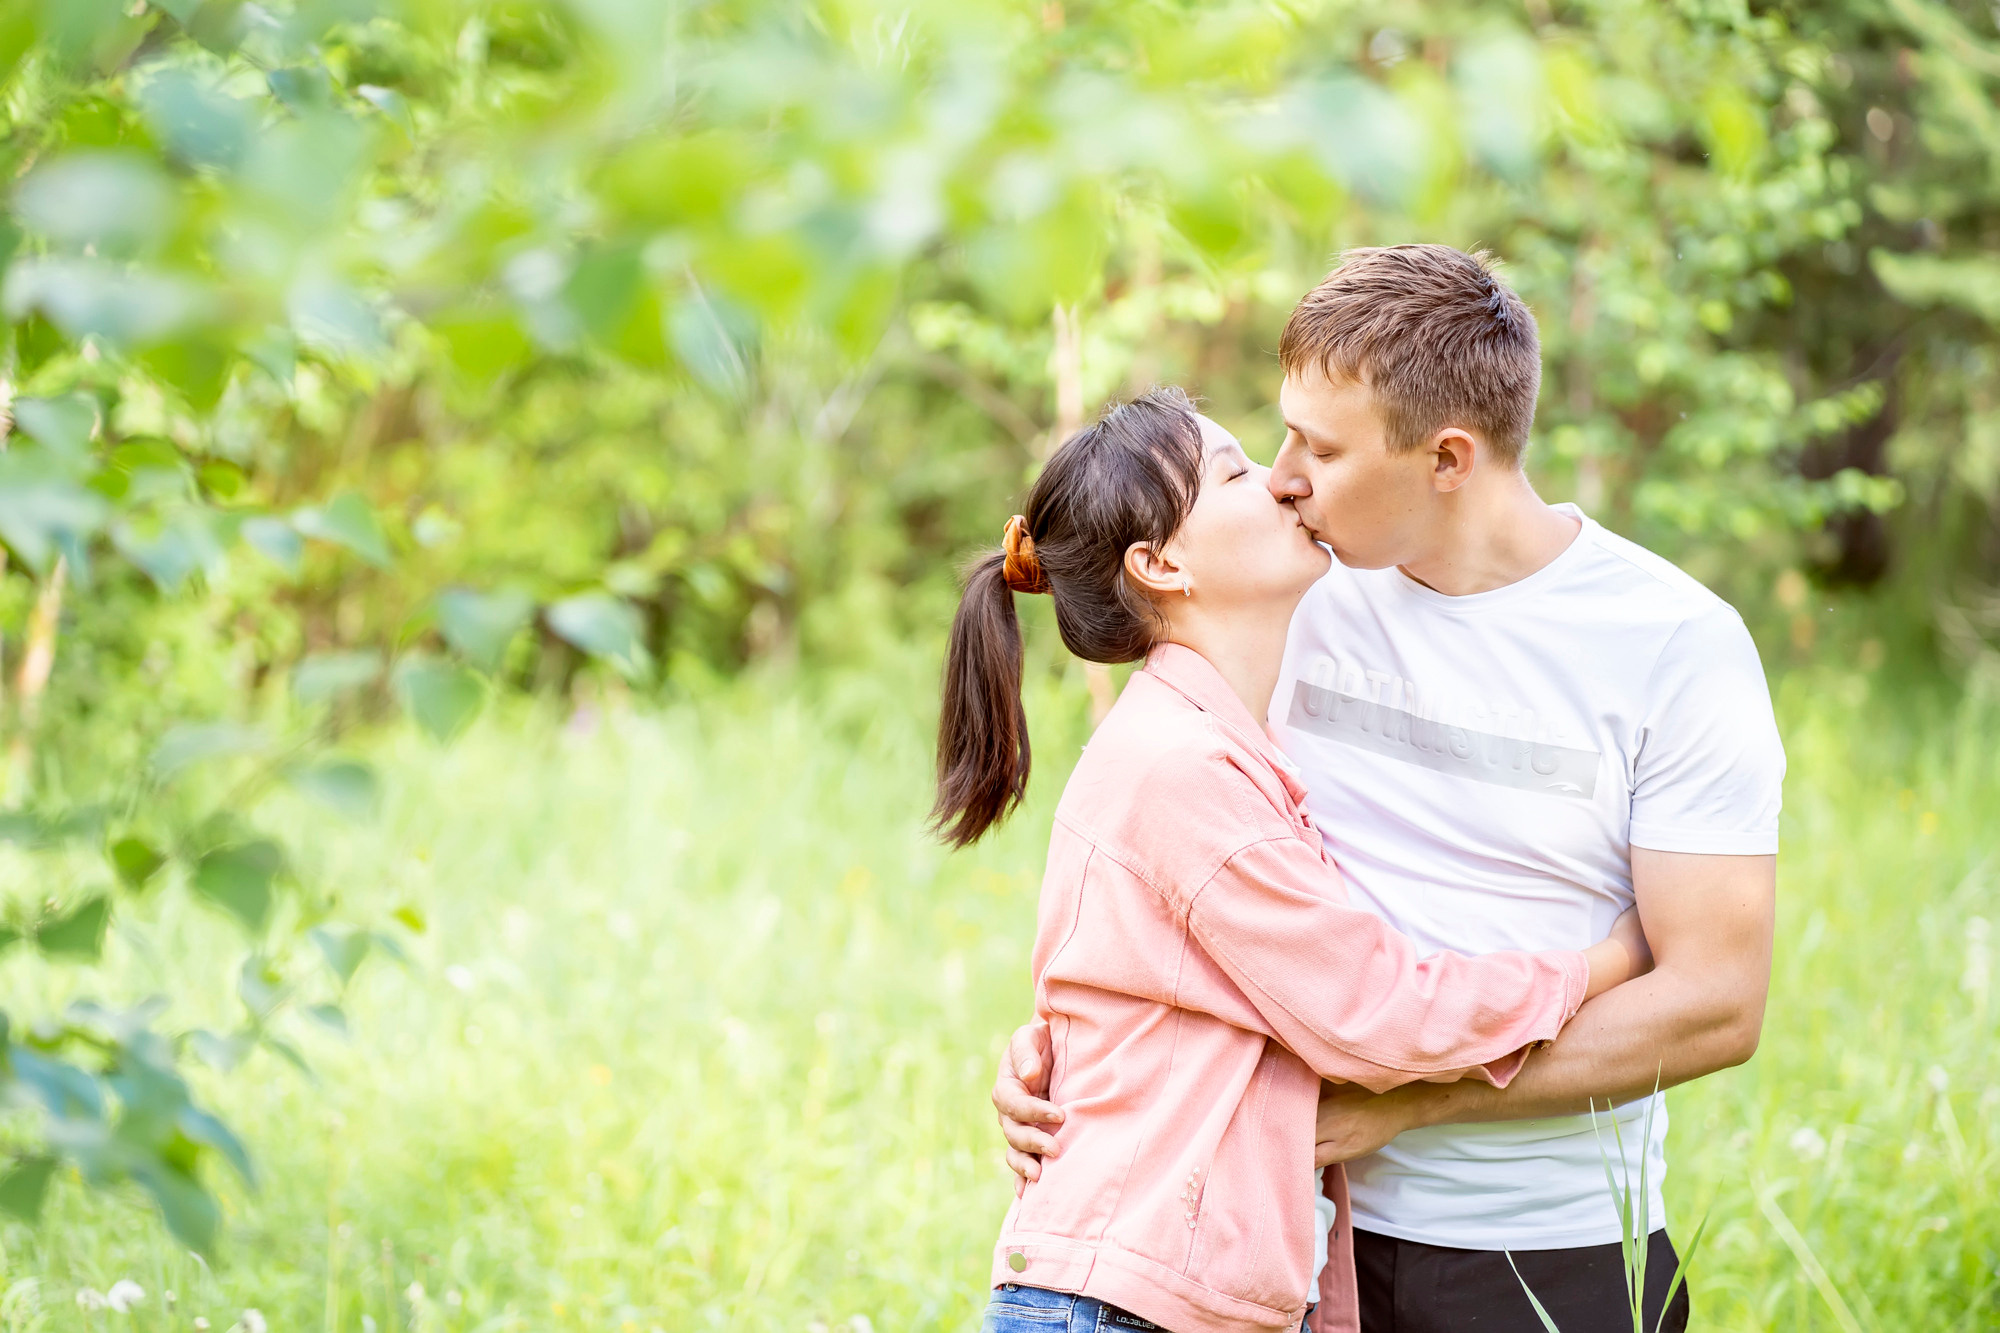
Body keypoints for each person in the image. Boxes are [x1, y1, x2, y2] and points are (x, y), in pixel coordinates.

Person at [992, 246, 1785, 1333]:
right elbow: (1161, 861)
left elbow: (1713, 1001)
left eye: (1317, 447)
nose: (1280, 477)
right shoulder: (1282, 592)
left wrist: (1410, 1101)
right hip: (1286, 1242)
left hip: (1545, 1250)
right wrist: (1073, 1054)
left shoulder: (1672, 645)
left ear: (1445, 458)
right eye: (1276, 437)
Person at [936, 386, 1654, 1333]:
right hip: (1125, 1304)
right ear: (1161, 564)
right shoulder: (1181, 766)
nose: (1280, 482)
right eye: (1234, 471)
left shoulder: (1224, 736)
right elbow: (1376, 1010)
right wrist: (1609, 960)